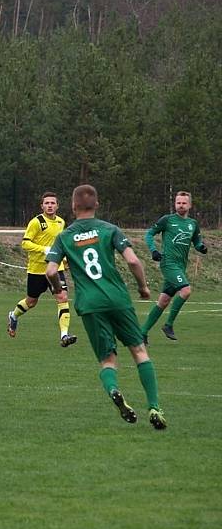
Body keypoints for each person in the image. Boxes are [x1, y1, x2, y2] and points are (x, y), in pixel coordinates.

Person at [45, 184, 166, 430]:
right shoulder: (109, 229)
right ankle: (154, 406)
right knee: (139, 351)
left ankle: (113, 389)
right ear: (97, 205)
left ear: (72, 206)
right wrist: (143, 287)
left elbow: (49, 271)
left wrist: (58, 289)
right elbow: (132, 260)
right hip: (117, 298)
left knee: (107, 359)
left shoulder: (64, 236)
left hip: (89, 304)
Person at [7, 192, 78, 347]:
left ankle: (64, 335)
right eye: (47, 203)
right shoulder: (36, 222)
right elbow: (25, 243)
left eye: (53, 203)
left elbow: (61, 244)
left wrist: (65, 259)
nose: (50, 205)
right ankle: (14, 315)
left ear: (57, 206)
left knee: (62, 297)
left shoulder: (61, 222)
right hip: (37, 270)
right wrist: (43, 249)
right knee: (31, 301)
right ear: (42, 206)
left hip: (54, 267)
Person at [141, 191, 207, 342]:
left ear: (189, 205)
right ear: (175, 204)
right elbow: (149, 234)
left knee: (163, 301)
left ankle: (142, 333)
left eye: (184, 203)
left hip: (181, 265)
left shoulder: (193, 224)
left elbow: (196, 242)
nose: (181, 205)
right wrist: (153, 250)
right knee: (186, 290)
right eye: (178, 203)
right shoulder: (167, 220)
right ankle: (168, 324)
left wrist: (201, 247)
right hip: (168, 263)